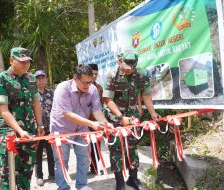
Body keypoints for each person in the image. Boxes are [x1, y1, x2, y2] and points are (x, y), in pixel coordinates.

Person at [103, 52, 160, 190]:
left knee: (132, 146)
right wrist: (121, 118)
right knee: (116, 148)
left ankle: (132, 178)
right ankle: (119, 182)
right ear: (119, 61)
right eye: (126, 66)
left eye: (131, 67)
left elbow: (146, 94)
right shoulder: (112, 74)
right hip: (115, 118)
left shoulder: (141, 73)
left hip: (133, 117)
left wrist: (153, 113)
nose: (129, 69)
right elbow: (107, 99)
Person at [50, 64, 110, 190]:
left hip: (82, 129)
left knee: (84, 157)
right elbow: (67, 114)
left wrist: (105, 123)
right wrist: (92, 124)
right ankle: (63, 187)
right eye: (85, 82)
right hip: (61, 129)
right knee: (62, 160)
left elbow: (97, 111)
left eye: (90, 82)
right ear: (75, 78)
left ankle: (82, 185)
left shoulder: (93, 89)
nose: (87, 86)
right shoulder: (63, 88)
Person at [0, 47, 44, 190]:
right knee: (10, 174)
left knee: (27, 172)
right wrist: (20, 130)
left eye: (28, 62)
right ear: (11, 60)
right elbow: (3, 110)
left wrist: (40, 125)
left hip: (29, 132)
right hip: (9, 134)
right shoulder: (0, 79)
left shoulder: (31, 79)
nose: (25, 65)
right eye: (21, 62)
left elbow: (36, 103)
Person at [34, 70, 55, 186]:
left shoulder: (52, 93)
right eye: (38, 78)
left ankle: (52, 174)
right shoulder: (32, 94)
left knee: (51, 153)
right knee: (38, 154)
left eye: (43, 77)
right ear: (35, 80)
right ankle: (39, 177)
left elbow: (56, 109)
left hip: (50, 128)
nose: (41, 79)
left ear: (46, 79)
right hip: (37, 129)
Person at [88, 64, 103, 174]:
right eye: (92, 74)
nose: (94, 76)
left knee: (96, 144)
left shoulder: (99, 88)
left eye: (96, 74)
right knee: (83, 146)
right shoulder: (82, 86)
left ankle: (95, 166)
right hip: (83, 121)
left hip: (96, 121)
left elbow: (99, 106)